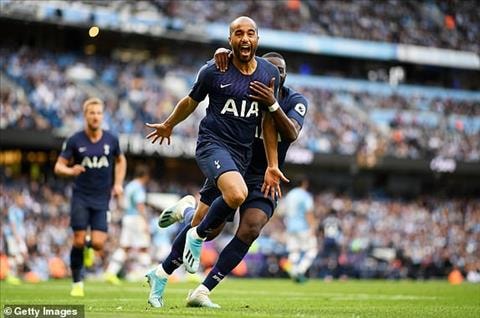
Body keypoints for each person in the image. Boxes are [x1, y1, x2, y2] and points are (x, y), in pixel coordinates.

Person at [144, 16, 287, 308]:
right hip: (213, 146)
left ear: (258, 39)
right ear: (230, 39)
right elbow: (191, 100)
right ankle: (195, 236)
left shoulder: (268, 73)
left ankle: (160, 273)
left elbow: (268, 123)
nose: (244, 39)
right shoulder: (214, 69)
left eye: (250, 34)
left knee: (208, 223)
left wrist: (273, 165)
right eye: (238, 34)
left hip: (242, 156)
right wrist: (169, 124)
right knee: (236, 195)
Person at [54, 97, 126, 297]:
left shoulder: (111, 139)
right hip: (81, 197)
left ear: (103, 116)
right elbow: (58, 166)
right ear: (85, 115)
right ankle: (77, 283)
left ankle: (87, 248)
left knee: (98, 244)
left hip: (102, 199)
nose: (96, 117)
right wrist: (71, 171)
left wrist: (118, 184)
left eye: (99, 113)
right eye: (92, 113)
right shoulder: (75, 140)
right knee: (77, 240)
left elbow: (121, 161)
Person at [104, 165, 151, 285]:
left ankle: (110, 272)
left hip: (127, 217)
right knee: (144, 247)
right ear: (145, 176)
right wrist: (145, 222)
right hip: (136, 218)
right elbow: (140, 205)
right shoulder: (138, 187)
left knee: (125, 247)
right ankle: (147, 275)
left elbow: (122, 203)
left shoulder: (129, 186)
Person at [283, 177, 318, 283]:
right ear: (304, 183)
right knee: (313, 249)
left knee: (294, 251)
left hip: (290, 227)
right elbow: (309, 212)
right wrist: (312, 227)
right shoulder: (305, 195)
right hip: (303, 226)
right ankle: (300, 270)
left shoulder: (289, 195)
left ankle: (292, 268)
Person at [4, 192, 28, 285]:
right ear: (17, 200)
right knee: (14, 256)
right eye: (21, 199)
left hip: (19, 236)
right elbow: (13, 224)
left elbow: (20, 225)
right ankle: (11, 276)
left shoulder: (20, 211)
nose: (23, 201)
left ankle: (13, 275)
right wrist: (16, 236)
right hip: (12, 236)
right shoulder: (12, 210)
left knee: (21, 256)